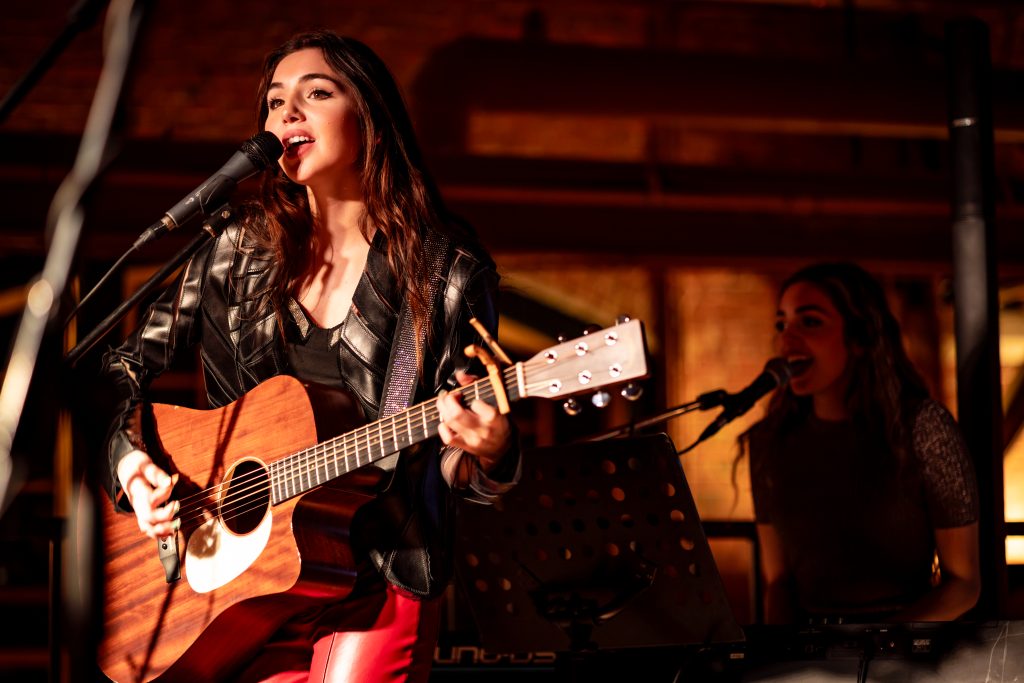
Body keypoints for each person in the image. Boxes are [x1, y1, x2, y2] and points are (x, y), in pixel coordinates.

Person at [100, 30, 519, 682]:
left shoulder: (446, 272)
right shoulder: (234, 248)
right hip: (235, 578)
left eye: (315, 93)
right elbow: (122, 366)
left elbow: (455, 461)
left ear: (369, 116)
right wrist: (131, 463)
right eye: (273, 102)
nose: (287, 113)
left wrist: (489, 450)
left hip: (375, 575)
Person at [738, 262, 980, 624]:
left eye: (810, 322)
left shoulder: (924, 428)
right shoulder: (768, 441)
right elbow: (778, 582)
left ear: (860, 337)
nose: (786, 341)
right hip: (811, 662)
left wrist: (877, 647)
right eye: (781, 324)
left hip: (903, 660)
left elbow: (963, 584)